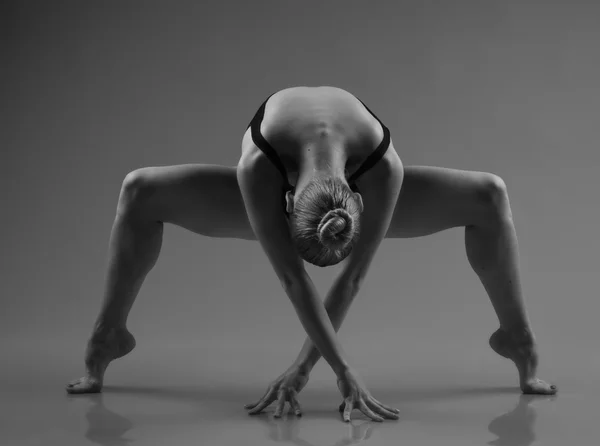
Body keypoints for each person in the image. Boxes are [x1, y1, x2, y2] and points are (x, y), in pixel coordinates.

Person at [66, 86, 557, 422]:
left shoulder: (386, 169)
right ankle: (107, 337)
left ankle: (518, 338)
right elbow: (293, 280)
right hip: (284, 173)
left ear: (359, 205)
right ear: (284, 206)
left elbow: (354, 278)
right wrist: (340, 370)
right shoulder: (257, 167)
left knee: (489, 195)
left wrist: (308, 370)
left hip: (347, 178)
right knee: (139, 191)